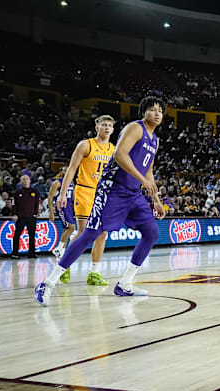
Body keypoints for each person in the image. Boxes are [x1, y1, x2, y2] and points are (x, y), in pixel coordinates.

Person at [35, 97, 167, 306]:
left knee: (152, 233)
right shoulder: (135, 128)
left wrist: (156, 199)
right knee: (91, 233)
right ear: (144, 113)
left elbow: (148, 170)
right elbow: (120, 155)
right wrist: (142, 180)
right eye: (152, 110)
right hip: (112, 189)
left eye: (160, 110)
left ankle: (125, 284)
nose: (157, 113)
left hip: (134, 194)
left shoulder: (155, 140)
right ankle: (48, 283)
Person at [55, 115, 116, 285]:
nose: (107, 128)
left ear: (113, 129)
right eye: (104, 125)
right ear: (97, 127)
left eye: (110, 125)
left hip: (104, 195)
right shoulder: (85, 145)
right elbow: (72, 169)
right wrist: (62, 193)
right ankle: (64, 265)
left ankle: (94, 273)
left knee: (103, 234)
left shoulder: (114, 149)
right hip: (84, 191)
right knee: (84, 232)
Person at [47, 169, 76, 283]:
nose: (68, 171)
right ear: (62, 172)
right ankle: (59, 249)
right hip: (61, 206)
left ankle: (61, 253)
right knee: (71, 228)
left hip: (69, 208)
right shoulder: (58, 182)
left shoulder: (72, 183)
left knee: (66, 230)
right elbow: (50, 197)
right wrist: (51, 212)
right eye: (65, 170)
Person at [11, 175, 40, 259]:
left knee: (32, 235)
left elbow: (37, 203)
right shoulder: (17, 192)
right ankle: (15, 253)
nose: (25, 181)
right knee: (17, 235)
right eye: (23, 179)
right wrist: (14, 214)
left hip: (31, 217)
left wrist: (36, 212)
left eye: (26, 179)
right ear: (21, 181)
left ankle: (31, 253)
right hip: (20, 217)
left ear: (29, 181)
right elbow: (14, 205)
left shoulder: (35, 191)